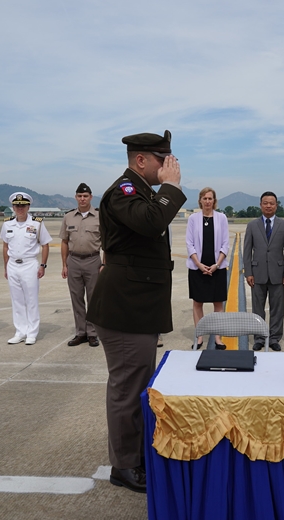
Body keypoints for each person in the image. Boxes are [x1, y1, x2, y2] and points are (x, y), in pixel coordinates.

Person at [86, 130, 185, 493]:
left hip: (136, 306)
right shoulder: (124, 192)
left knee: (137, 385)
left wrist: (163, 190)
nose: (169, 165)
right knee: (128, 389)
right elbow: (151, 222)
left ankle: (135, 456)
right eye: (163, 160)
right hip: (125, 308)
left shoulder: (140, 191)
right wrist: (170, 188)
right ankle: (125, 465)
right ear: (141, 160)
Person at [243, 191, 284, 351]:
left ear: (276, 205)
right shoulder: (252, 225)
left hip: (278, 274)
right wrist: (248, 273)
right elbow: (247, 251)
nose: (268, 206)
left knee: (277, 309)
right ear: (260, 205)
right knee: (257, 308)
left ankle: (274, 338)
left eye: (271, 203)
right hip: (257, 274)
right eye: (265, 203)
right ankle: (259, 337)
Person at [0, 192, 52, 345]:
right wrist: (5, 267)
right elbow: (5, 246)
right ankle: (20, 331)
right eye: (17, 206)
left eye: (23, 206)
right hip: (12, 265)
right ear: (13, 207)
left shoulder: (37, 223)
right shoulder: (7, 224)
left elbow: (45, 244)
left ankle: (32, 332)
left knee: (31, 300)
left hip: (30, 264)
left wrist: (42, 265)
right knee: (17, 300)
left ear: (28, 206)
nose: (20, 208)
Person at [60, 182, 103, 347]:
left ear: (91, 197)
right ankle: (81, 333)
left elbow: (106, 243)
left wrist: (104, 264)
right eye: (80, 196)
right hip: (74, 261)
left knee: (93, 299)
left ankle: (93, 333)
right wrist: (64, 264)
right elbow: (64, 241)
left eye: (85, 196)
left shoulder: (100, 216)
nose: (82, 199)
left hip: (93, 260)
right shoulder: (68, 217)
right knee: (76, 298)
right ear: (76, 197)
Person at [186, 187, 229, 350]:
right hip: (198, 267)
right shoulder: (193, 219)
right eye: (205, 198)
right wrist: (198, 264)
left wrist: (217, 265)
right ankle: (199, 336)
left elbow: (226, 243)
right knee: (198, 302)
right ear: (200, 201)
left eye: (210, 198)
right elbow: (189, 243)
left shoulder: (221, 218)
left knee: (218, 303)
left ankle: (218, 337)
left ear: (214, 201)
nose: (207, 201)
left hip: (216, 267)